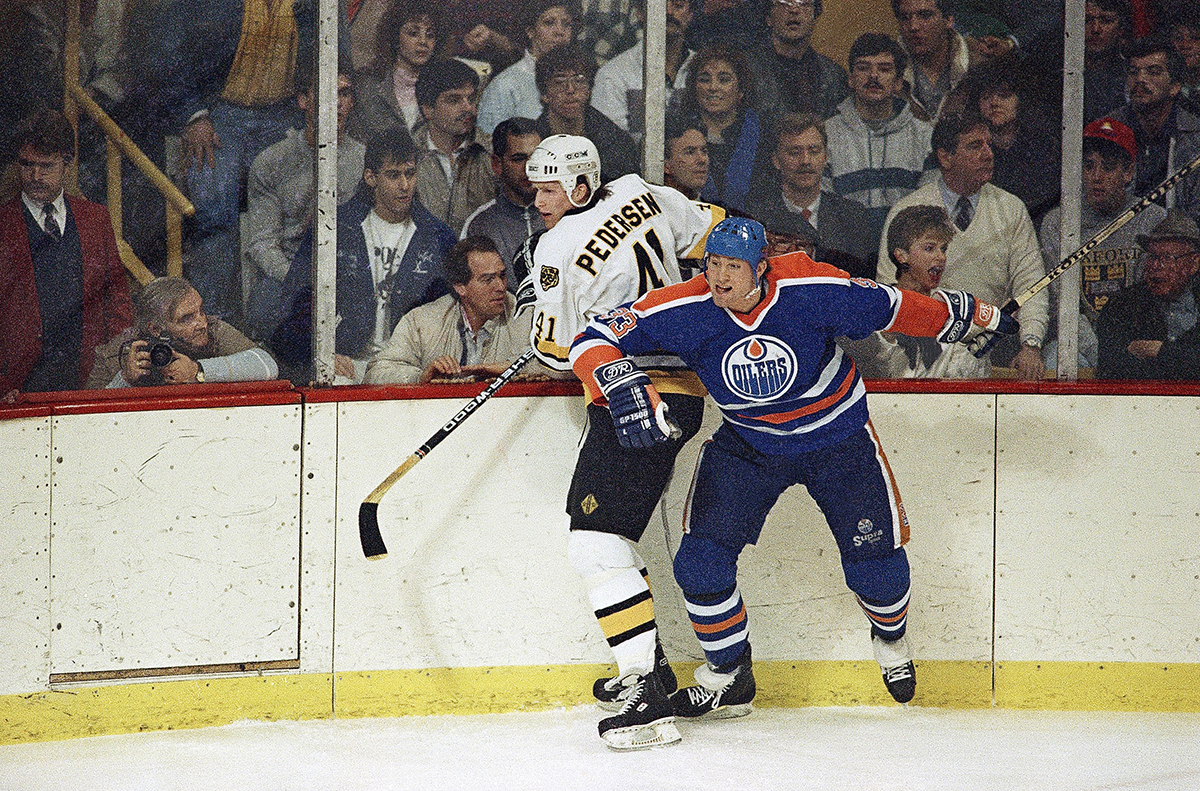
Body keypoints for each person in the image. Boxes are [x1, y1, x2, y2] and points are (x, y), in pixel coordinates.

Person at [569, 217, 1016, 730]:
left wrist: (968, 314)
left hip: (837, 441)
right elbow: (593, 336)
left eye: (733, 267)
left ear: (761, 267)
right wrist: (612, 374)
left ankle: (891, 637)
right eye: (712, 264)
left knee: (877, 569)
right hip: (750, 445)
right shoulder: (685, 306)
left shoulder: (809, 286)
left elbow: (892, 306)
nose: (719, 278)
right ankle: (729, 676)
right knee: (699, 563)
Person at [523, 133, 725, 750]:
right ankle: (654, 667)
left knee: (593, 543)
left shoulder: (556, 246)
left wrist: (539, 309)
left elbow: (555, 354)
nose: (539, 202)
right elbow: (713, 231)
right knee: (612, 538)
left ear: (581, 186)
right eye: (535, 190)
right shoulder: (646, 193)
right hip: (685, 389)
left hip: (631, 398)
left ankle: (644, 692)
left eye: (550, 190)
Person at [152, 0, 349, 326]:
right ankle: (215, 325)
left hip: (285, 112)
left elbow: (338, 57)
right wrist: (193, 115)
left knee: (298, 213)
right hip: (220, 115)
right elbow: (168, 52)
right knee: (213, 214)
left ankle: (273, 323)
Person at [273, 129, 457, 383]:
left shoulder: (439, 236)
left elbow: (450, 316)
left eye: (410, 174)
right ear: (370, 176)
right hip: (345, 363)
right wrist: (320, 354)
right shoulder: (333, 229)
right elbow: (295, 304)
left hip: (409, 366)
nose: (405, 185)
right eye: (393, 175)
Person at [879, 111, 1048, 379]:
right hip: (921, 354)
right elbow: (889, 293)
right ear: (945, 157)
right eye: (974, 146)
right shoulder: (907, 210)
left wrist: (1031, 343)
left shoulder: (1011, 209)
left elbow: (1031, 283)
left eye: (988, 145)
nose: (987, 154)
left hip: (989, 352)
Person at [1, 109, 131, 397]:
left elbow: (117, 299)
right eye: (26, 165)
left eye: (45, 166)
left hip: (90, 382)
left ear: (67, 164)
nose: (34, 176)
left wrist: (116, 365)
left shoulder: (95, 219)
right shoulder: (3, 224)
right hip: (20, 390)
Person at [243, 66, 366, 342]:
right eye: (325, 92)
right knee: (263, 313)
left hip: (346, 272)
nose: (336, 103)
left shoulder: (363, 160)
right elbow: (262, 243)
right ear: (303, 100)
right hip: (287, 274)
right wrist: (301, 282)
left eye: (344, 93)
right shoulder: (273, 161)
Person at [1039, 117, 1166, 372]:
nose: (1096, 177)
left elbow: (1150, 300)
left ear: (1128, 172)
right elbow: (1060, 303)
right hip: (1079, 342)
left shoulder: (1154, 220)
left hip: (1135, 339)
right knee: (1056, 359)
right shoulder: (1058, 222)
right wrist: (1103, 354)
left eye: (1107, 167)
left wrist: (1120, 352)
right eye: (1089, 166)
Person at [364, 236, 545, 384]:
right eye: (488, 279)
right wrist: (421, 377)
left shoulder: (527, 315)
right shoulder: (422, 321)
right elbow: (376, 372)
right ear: (460, 287)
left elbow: (559, 365)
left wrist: (510, 368)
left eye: (502, 275)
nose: (500, 287)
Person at [841, 204, 990, 378]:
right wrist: (888, 337)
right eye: (929, 248)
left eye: (943, 249)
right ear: (901, 255)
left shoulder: (957, 309)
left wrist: (975, 346)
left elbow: (969, 380)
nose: (941, 257)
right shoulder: (875, 305)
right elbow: (870, 373)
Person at [825, 33, 934, 244]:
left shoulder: (925, 137)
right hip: (845, 252)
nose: (873, 76)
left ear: (899, 83)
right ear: (851, 78)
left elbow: (929, 212)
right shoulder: (827, 135)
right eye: (863, 68)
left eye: (884, 69)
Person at [745, 112, 877, 279]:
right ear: (776, 160)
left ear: (825, 157)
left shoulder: (853, 216)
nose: (805, 160)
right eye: (795, 152)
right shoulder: (756, 218)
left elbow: (865, 279)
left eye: (814, 151)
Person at [87, 277, 278, 388]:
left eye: (201, 311)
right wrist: (125, 379)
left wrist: (197, 371)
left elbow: (267, 365)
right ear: (155, 329)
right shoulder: (117, 353)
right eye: (186, 318)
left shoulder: (212, 329)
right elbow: (86, 420)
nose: (201, 323)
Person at [1097, 210, 1200, 379]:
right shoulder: (1122, 305)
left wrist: (1159, 351)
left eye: (1167, 258)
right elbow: (1112, 368)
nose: (1155, 266)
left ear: (1194, 263)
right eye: (1152, 257)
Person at [1110, 36, 1200, 219]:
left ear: (1175, 87)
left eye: (1153, 72)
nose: (1140, 79)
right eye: (1133, 72)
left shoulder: (1195, 137)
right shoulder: (1108, 130)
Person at [968, 59, 1061, 225]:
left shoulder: (1044, 146)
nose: (994, 103)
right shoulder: (970, 152)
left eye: (1004, 95)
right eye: (986, 97)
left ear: (1020, 100)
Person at [675, 43, 764, 212]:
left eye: (724, 80)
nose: (713, 87)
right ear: (694, 87)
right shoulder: (678, 133)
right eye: (704, 79)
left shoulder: (761, 134)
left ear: (741, 89)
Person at [533, 44, 641, 182]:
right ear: (544, 93)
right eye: (559, 82)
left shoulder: (616, 142)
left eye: (579, 80)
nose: (570, 89)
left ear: (589, 89)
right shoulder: (531, 142)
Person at [460, 118, 545, 292]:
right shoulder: (479, 225)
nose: (529, 167)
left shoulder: (567, 214)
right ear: (497, 164)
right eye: (518, 159)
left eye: (536, 157)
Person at [412, 58, 495, 235]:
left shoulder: (492, 152)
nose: (469, 108)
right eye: (454, 100)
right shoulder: (407, 154)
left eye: (471, 99)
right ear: (428, 109)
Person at [590, 0, 695, 137]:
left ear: (690, 15)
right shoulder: (613, 74)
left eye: (678, 5)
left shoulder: (703, 70)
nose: (669, 12)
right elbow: (610, 141)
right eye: (660, 6)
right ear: (640, 13)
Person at [476, 0, 579, 135]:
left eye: (566, 24)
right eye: (549, 23)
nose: (560, 31)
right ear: (530, 31)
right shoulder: (505, 84)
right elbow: (489, 146)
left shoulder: (580, 80)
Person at [348, 0, 441, 136]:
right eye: (413, 33)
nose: (423, 41)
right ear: (395, 36)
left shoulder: (442, 86)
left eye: (430, 35)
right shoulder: (366, 84)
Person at [745, 0, 848, 123]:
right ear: (768, 18)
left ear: (814, 18)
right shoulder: (745, 68)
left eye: (804, 3)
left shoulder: (834, 75)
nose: (794, 10)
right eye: (784, 3)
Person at [892, 0, 978, 122]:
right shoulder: (885, 68)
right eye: (904, 18)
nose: (913, 26)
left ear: (949, 20)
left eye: (925, 16)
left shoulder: (980, 62)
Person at [1084, 0, 1132, 123]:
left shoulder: (1131, 74)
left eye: (1106, 21)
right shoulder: (1053, 72)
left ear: (1120, 29)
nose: (1095, 29)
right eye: (1087, 20)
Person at [662, 117, 710, 200]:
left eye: (704, 151)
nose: (702, 160)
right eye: (690, 152)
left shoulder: (718, 210)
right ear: (666, 165)